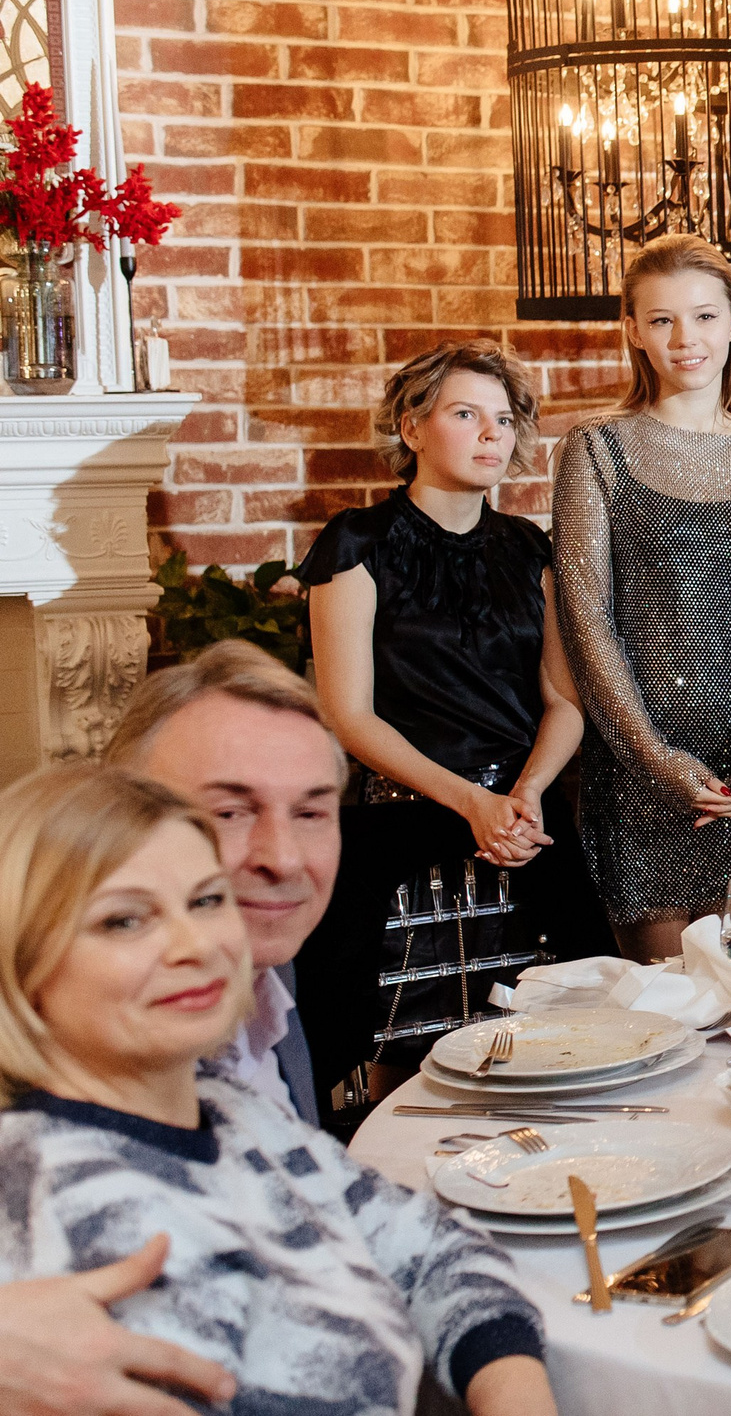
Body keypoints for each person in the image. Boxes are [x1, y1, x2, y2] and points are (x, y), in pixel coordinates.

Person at [0, 763, 556, 1416]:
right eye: (124, 920)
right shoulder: (53, 1188)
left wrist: (513, 1393)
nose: (194, 944)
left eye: (206, 900)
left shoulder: (228, 1109)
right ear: (23, 961)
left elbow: (435, 1249)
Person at [299, 339, 615, 1090]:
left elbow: (564, 700)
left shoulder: (529, 548)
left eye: (503, 420)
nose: (490, 435)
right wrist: (472, 802)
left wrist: (526, 792)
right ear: (411, 428)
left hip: (524, 827)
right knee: (403, 1069)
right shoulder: (357, 543)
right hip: (402, 824)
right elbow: (349, 715)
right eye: (466, 414)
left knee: (564, 1046)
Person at [553, 234, 731, 961]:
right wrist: (657, 759)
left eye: (704, 316)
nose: (685, 338)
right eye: (662, 319)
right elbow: (587, 621)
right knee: (664, 1006)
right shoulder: (595, 450)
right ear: (633, 331)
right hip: (640, 775)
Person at [100, 640, 341, 1125]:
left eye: (310, 813)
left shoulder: (271, 971)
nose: (284, 860)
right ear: (120, 824)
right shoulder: (90, 1068)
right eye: (230, 813)